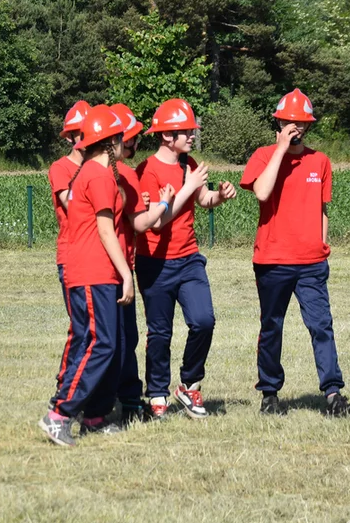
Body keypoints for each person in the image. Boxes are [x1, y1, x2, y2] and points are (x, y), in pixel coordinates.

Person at [239, 89, 350, 418]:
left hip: (311, 263)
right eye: (290, 123)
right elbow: (262, 191)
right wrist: (281, 148)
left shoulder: (319, 161)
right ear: (278, 123)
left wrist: (322, 246)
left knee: (322, 326)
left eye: (302, 123)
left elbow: (322, 208)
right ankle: (269, 394)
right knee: (272, 327)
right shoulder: (264, 156)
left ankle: (333, 395)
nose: (297, 128)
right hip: (273, 260)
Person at [134, 98, 236, 420]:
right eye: (186, 130)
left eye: (192, 129)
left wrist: (217, 195)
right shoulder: (147, 170)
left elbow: (202, 198)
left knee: (204, 320)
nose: (192, 135)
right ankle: (158, 394)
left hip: (189, 259)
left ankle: (189, 384)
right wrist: (188, 186)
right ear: (167, 136)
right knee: (160, 333)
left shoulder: (189, 165)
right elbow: (157, 220)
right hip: (155, 262)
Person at [40, 105, 133, 446]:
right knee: (101, 342)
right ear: (110, 142)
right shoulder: (99, 176)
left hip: (89, 270)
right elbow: (107, 230)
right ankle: (60, 414)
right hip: (93, 269)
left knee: (99, 342)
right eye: (121, 138)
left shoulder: (87, 175)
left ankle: (92, 417)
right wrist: (126, 274)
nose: (125, 143)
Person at [108, 103, 176, 424]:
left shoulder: (111, 172)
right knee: (121, 338)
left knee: (117, 337)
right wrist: (163, 202)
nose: (136, 145)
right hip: (115, 267)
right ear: (117, 139)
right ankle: (128, 400)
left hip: (107, 266)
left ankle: (117, 399)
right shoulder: (122, 175)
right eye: (132, 139)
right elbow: (139, 223)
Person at [47, 101, 89, 405]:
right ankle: (65, 388)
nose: (86, 139)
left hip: (101, 259)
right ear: (69, 138)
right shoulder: (61, 168)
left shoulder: (103, 167)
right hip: (73, 256)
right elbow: (71, 204)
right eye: (80, 134)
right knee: (82, 327)